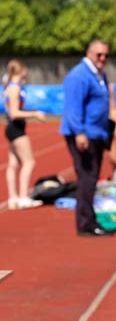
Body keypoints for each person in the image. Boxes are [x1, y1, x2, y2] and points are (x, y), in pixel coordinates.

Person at [60, 39, 113, 237]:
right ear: (89, 53)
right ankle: (85, 223)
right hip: (84, 134)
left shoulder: (99, 74)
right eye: (99, 55)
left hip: (97, 133)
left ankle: (89, 219)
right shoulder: (79, 76)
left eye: (106, 56)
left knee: (91, 179)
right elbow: (73, 107)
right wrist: (79, 132)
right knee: (86, 178)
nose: (102, 59)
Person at [3, 59, 46, 209]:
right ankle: (22, 197)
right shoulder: (14, 88)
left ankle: (13, 197)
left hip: (12, 128)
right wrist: (34, 113)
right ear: (20, 70)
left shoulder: (12, 87)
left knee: (13, 164)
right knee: (29, 162)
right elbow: (14, 113)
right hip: (16, 128)